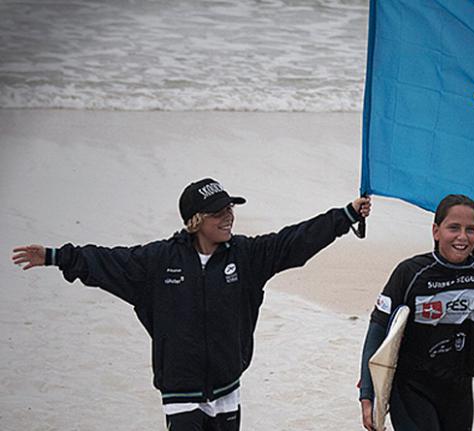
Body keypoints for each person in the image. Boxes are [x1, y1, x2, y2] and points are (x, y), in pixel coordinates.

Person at [12, 177, 371, 431]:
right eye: (219, 213)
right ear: (196, 221)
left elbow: (295, 241)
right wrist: (56, 256)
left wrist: (345, 216)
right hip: (180, 390)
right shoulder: (157, 261)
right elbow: (104, 262)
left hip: (227, 385)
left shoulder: (246, 256)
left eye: (229, 209)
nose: (228, 217)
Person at [358, 194, 474, 431]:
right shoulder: (410, 273)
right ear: (436, 231)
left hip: (459, 391)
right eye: (454, 228)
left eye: (470, 229)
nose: (463, 237)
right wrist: (368, 394)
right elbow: (378, 330)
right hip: (411, 386)